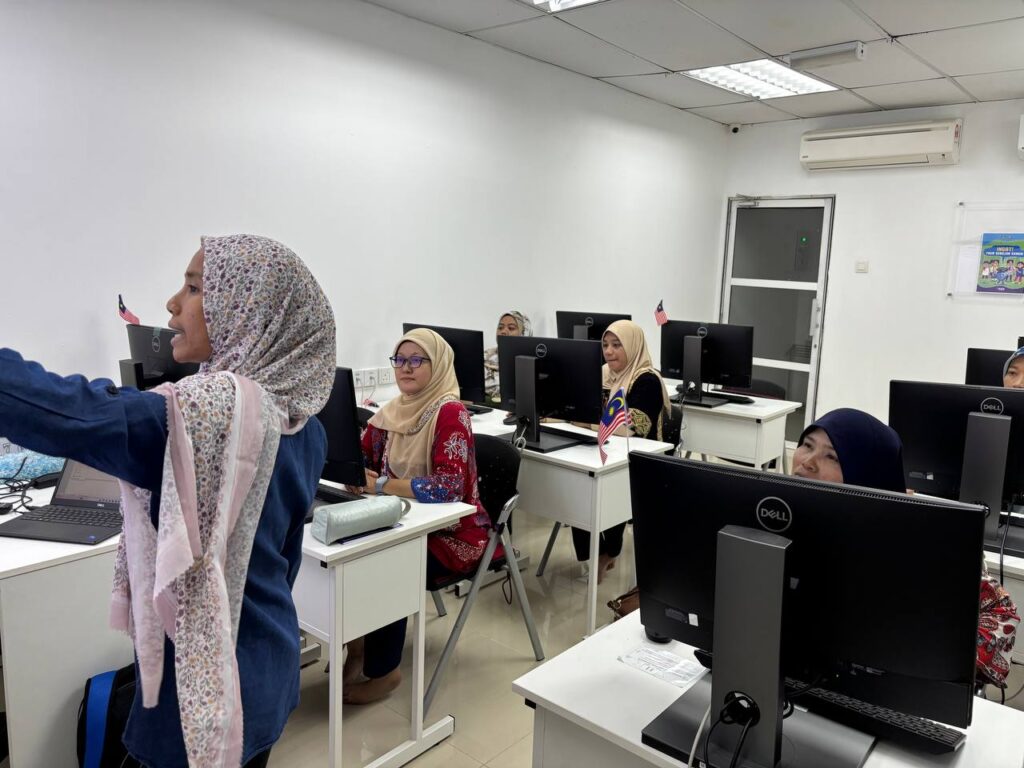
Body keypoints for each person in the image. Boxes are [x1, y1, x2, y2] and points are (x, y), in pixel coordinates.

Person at [0, 235, 335, 767]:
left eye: (196, 288)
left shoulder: (195, 422)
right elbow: (284, 560)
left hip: (200, 699)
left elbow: (71, 413)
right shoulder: (303, 424)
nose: (172, 303)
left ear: (249, 312)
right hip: (268, 666)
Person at [793, 408, 1020, 692]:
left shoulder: (915, 547)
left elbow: (1000, 616)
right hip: (791, 689)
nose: (808, 462)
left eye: (832, 457)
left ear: (868, 473)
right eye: (807, 445)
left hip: (883, 699)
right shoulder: (774, 518)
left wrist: (927, 660)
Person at [342, 328, 492, 704]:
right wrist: (354, 474)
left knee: (386, 562)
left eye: (416, 360)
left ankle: (385, 672)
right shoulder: (392, 411)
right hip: (401, 519)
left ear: (437, 365)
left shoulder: (450, 412)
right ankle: (357, 645)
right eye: (399, 360)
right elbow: (359, 456)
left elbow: (449, 488)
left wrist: (380, 485)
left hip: (454, 534)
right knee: (351, 553)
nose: (405, 368)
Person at [572, 319, 671, 583]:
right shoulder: (603, 374)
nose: (609, 351)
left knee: (606, 485)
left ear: (633, 346)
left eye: (617, 345)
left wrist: (586, 421)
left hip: (642, 464)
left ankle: (610, 551)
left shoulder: (647, 380)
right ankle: (595, 552)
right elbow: (581, 408)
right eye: (605, 345)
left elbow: (630, 427)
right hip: (605, 450)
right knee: (577, 484)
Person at [484, 311, 532, 404]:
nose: (503, 331)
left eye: (511, 328)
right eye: (500, 327)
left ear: (524, 333)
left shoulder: (530, 364)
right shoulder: (485, 356)